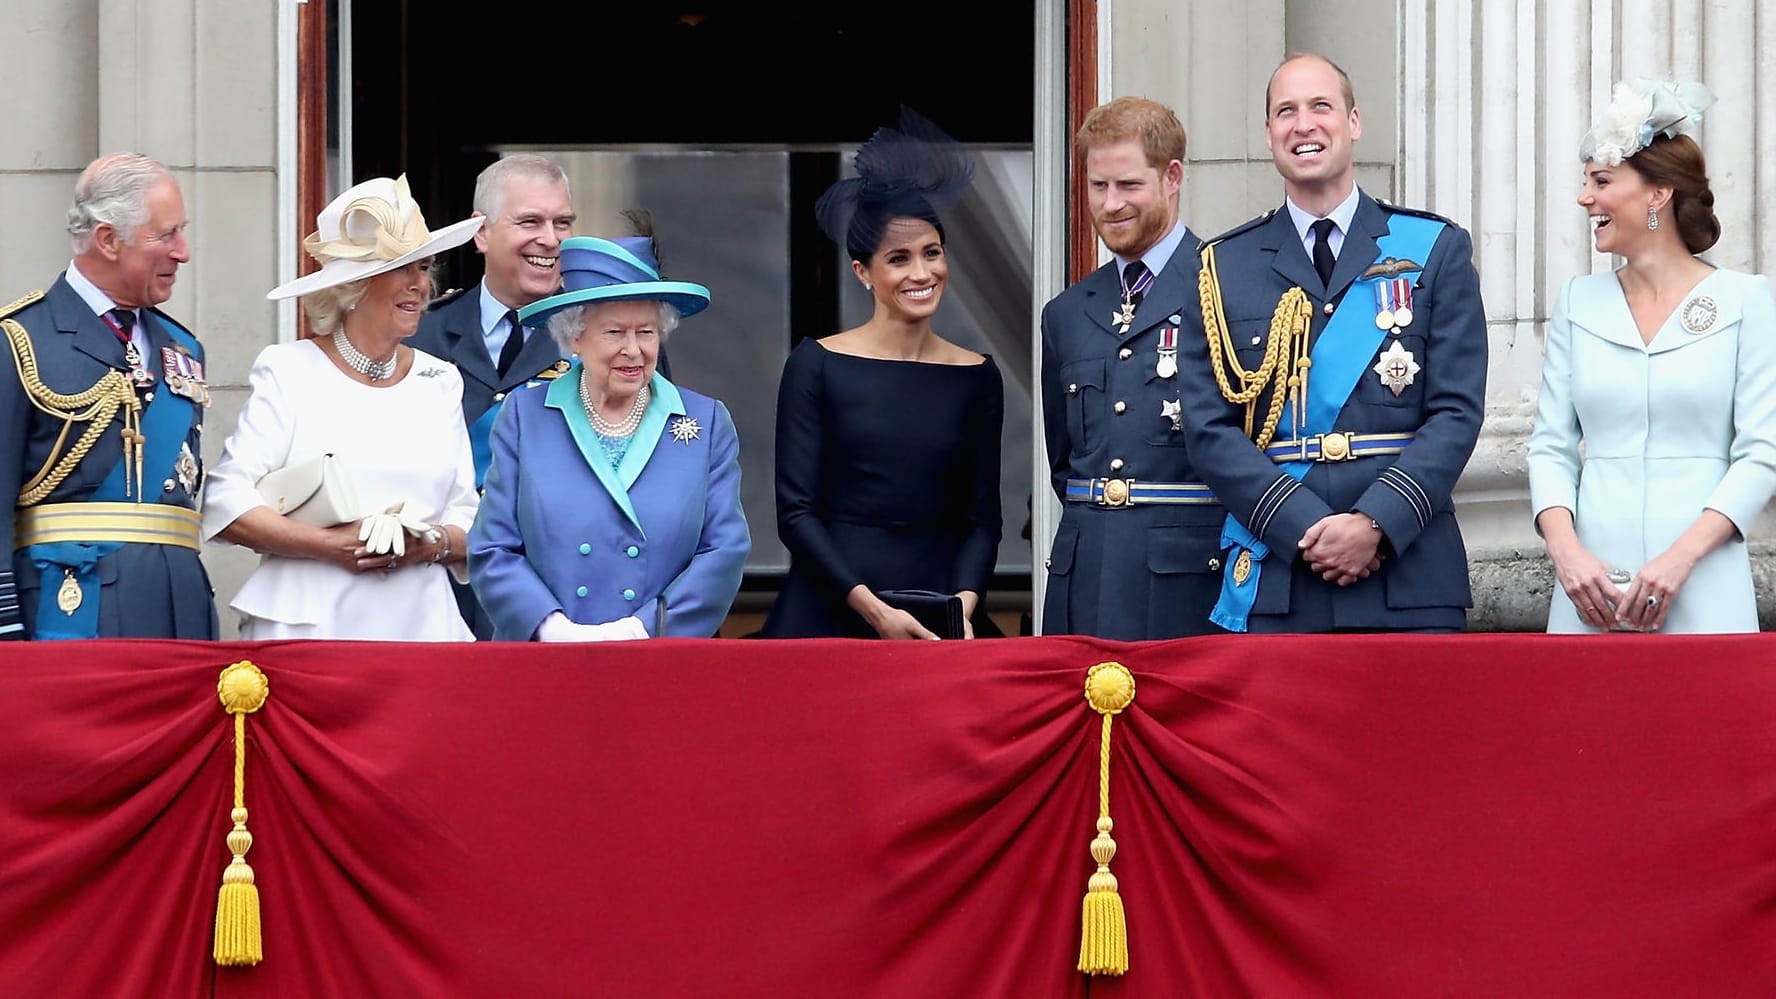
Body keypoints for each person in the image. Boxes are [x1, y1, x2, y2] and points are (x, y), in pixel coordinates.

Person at [1179, 53, 1487, 633]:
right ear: (1269, 133)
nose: (1303, 124)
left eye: (1321, 106)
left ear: (1353, 122)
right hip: (1281, 580)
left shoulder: (1435, 249)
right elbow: (1209, 429)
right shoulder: (1223, 266)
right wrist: (1302, 528)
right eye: (1285, 111)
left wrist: (1375, 521)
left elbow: (1456, 412)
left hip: (1409, 577)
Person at [1527, 80, 1776, 634]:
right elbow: (1550, 447)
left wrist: (1679, 559)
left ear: (1657, 194)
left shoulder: (1745, 300)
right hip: (1590, 586)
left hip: (1702, 577)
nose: (1584, 197)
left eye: (1602, 181)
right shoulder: (1577, 302)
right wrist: (1566, 554)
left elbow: (1761, 453)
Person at [200, 175, 483, 640]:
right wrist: (331, 546)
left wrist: (427, 545)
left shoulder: (440, 380)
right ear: (353, 287)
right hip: (311, 629)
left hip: (422, 630)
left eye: (424, 268)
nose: (421, 285)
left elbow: (467, 519)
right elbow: (229, 503)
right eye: (403, 269)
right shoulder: (289, 370)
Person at [758, 109, 1003, 640]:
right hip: (830, 611)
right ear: (863, 273)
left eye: (932, 252)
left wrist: (961, 606)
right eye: (899, 258)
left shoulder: (978, 374)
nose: (921, 273)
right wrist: (874, 612)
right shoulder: (816, 364)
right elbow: (796, 515)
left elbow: (982, 519)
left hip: (942, 617)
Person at [468, 227, 748, 641]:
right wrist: (550, 627)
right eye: (614, 332)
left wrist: (642, 629)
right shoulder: (525, 416)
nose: (633, 350)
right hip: (544, 660)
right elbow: (492, 547)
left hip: (660, 658)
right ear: (575, 338)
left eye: (646, 331)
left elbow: (723, 552)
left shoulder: (705, 422)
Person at [0, 153, 217, 640]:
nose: (182, 252)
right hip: (70, 609)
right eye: (166, 235)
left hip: (178, 608)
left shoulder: (183, 347)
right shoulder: (19, 339)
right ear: (107, 240)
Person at [1038, 96, 1220, 641]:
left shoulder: (1227, 287)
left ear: (1172, 177)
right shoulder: (1066, 313)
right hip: (1085, 576)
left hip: (1187, 582)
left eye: (1128, 186)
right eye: (1098, 186)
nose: (1111, 204)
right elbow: (1064, 463)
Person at [408, 154, 578, 638]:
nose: (550, 238)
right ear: (481, 233)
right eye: (530, 221)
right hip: (439, 590)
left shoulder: (607, 339)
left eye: (562, 222)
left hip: (557, 597)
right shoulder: (421, 334)